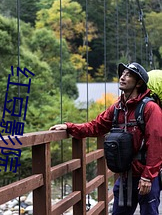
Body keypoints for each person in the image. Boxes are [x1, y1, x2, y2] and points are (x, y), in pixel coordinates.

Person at [49, 62, 162, 215]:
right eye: (122, 74)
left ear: (139, 83)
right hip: (125, 176)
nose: (122, 77)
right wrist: (69, 127)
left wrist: (148, 177)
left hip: (145, 176)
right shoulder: (117, 108)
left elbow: (156, 143)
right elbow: (96, 126)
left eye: (128, 75)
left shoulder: (150, 108)